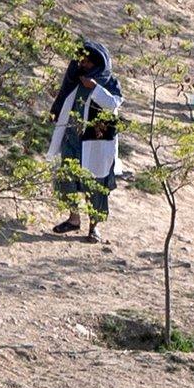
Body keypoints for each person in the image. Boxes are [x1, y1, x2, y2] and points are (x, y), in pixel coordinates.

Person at [48, 41, 123, 243]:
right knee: (67, 179)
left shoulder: (109, 82)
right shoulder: (75, 78)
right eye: (82, 60)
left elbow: (113, 104)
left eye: (88, 62)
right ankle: (73, 219)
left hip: (96, 143)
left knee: (95, 184)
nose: (83, 64)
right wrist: (54, 111)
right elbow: (64, 96)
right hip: (72, 138)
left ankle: (94, 228)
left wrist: (96, 88)